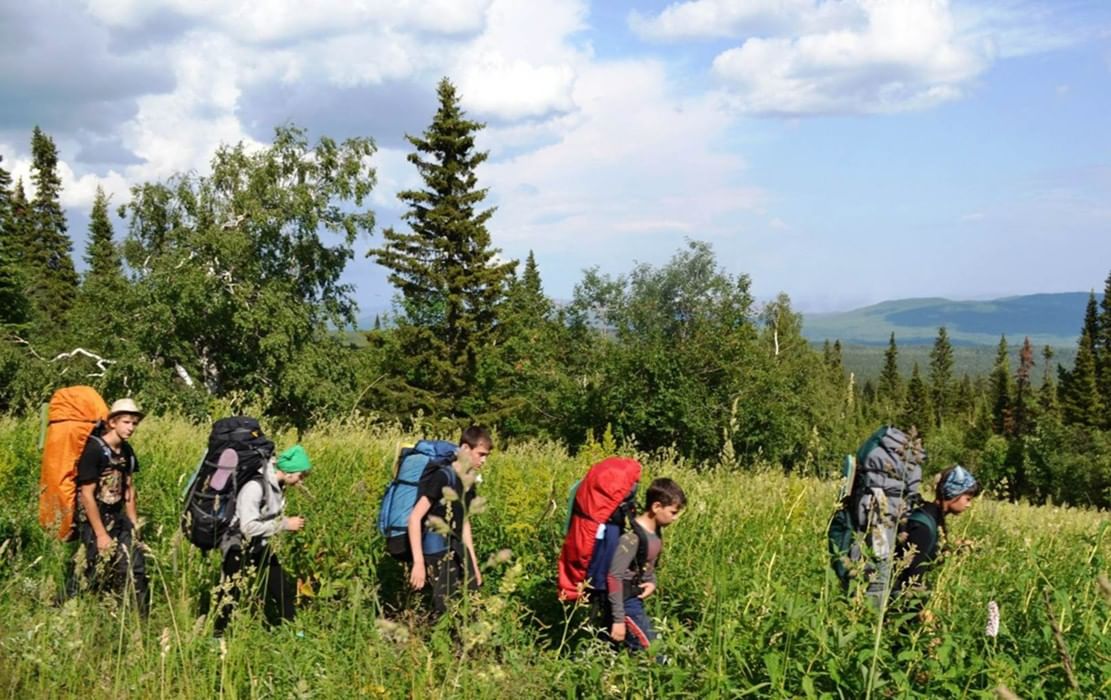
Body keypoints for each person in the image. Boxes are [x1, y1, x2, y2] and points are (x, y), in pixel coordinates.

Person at [214, 444, 311, 636]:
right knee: (230, 594)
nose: (301, 481)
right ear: (289, 471)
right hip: (237, 545)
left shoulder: (278, 486)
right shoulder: (254, 487)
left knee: (282, 588)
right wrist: (284, 524)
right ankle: (217, 637)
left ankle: (296, 634)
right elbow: (248, 527)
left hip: (260, 545)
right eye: (301, 475)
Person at [74, 398, 149, 616]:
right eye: (126, 422)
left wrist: (134, 524)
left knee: (135, 568)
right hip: (95, 517)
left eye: (134, 423)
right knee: (89, 572)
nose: (131, 428)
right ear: (113, 422)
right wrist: (100, 534)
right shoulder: (94, 450)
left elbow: (129, 489)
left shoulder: (127, 451)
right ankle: (69, 609)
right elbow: (86, 495)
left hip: (118, 517)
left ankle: (140, 623)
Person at [407, 426, 492, 618]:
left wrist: (474, 567)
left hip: (458, 548)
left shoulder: (468, 482)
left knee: (473, 603)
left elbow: (464, 525)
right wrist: (419, 563)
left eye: (487, 455)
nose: (484, 460)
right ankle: (435, 644)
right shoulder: (442, 476)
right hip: (436, 550)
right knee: (446, 609)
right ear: (464, 448)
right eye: (481, 454)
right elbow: (415, 517)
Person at [607, 477, 686, 653]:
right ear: (656, 507)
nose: (675, 518)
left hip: (635, 599)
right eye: (673, 512)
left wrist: (652, 582)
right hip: (625, 602)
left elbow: (646, 565)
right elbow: (614, 576)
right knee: (651, 652)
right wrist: (618, 620)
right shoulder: (632, 537)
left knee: (638, 648)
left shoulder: (654, 532)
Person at [892, 464, 980, 615]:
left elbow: (928, 555)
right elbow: (912, 577)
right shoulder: (924, 526)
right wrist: (924, 617)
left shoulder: (932, 518)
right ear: (953, 493)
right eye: (967, 498)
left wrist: (954, 549)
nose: (969, 505)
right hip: (900, 607)